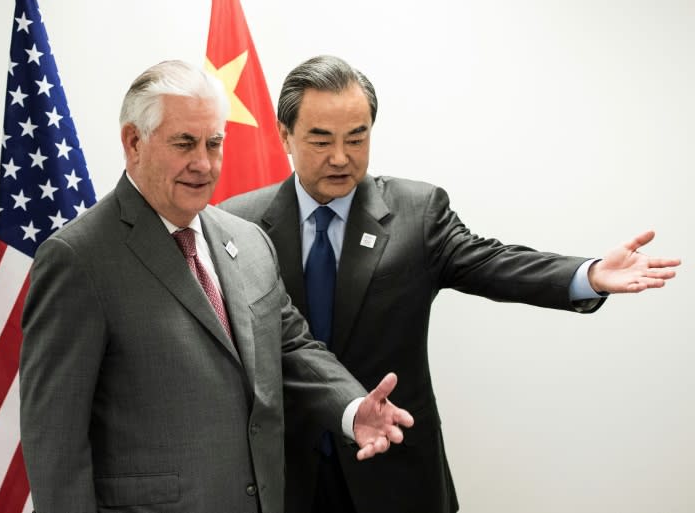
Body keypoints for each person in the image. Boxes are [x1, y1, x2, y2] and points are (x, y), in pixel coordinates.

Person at [219, 55, 681, 513]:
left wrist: (588, 275)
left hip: (394, 474)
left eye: (357, 138)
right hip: (286, 476)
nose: (341, 157)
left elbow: (493, 262)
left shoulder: (415, 212)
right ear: (285, 135)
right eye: (321, 140)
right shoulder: (238, 223)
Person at [18, 59, 415, 513]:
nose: (203, 164)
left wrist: (351, 406)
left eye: (214, 143)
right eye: (185, 143)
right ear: (133, 142)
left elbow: (291, 349)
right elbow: (55, 442)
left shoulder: (248, 240)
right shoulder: (78, 258)